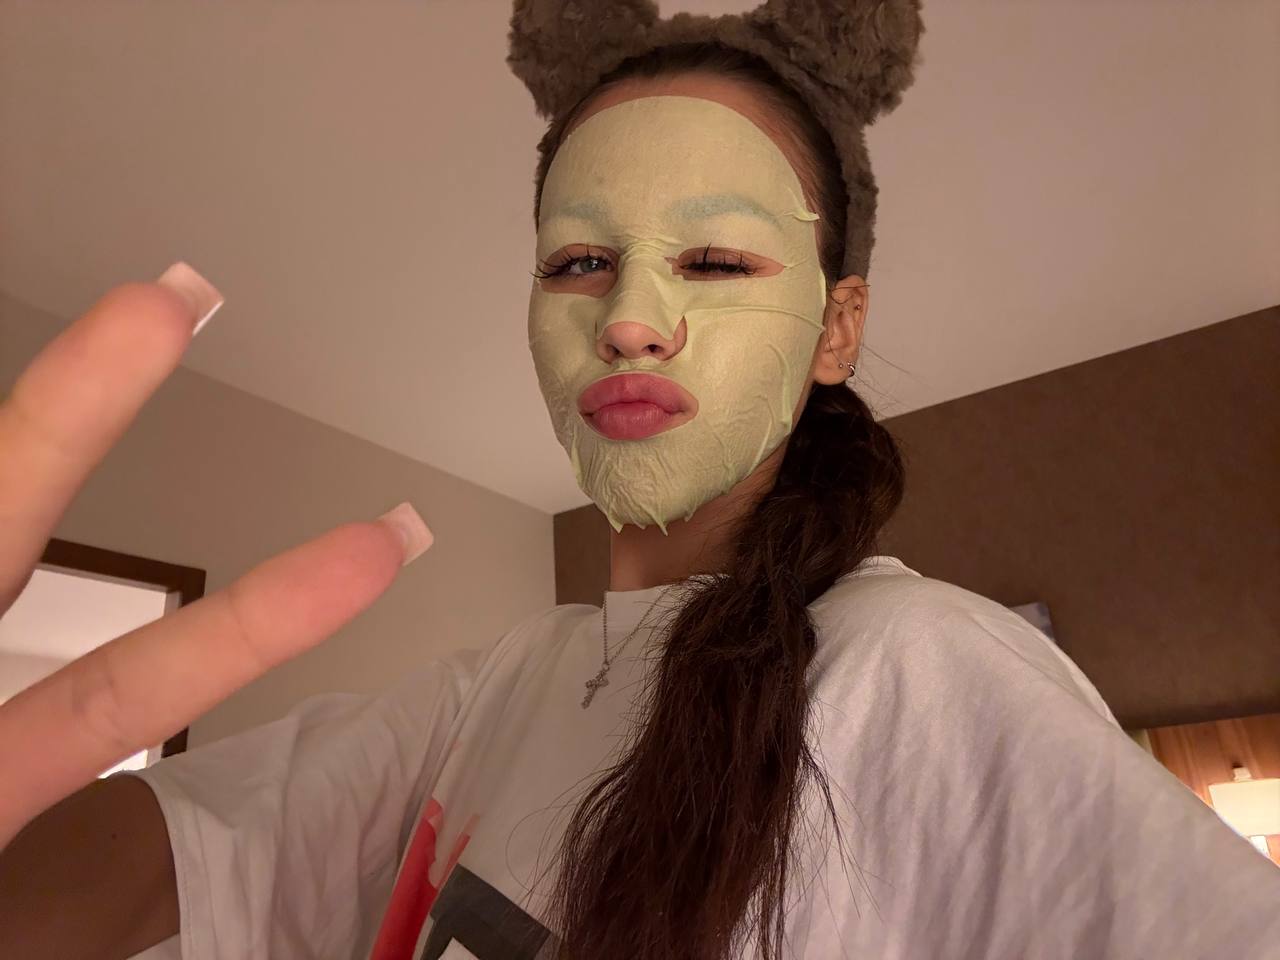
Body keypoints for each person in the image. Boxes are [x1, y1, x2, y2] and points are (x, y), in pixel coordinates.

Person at [2, 3, 1279, 959]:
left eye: (714, 262)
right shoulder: (493, 692)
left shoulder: (920, 671)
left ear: (835, 329)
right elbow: (147, 866)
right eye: (577, 263)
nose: (625, 319)